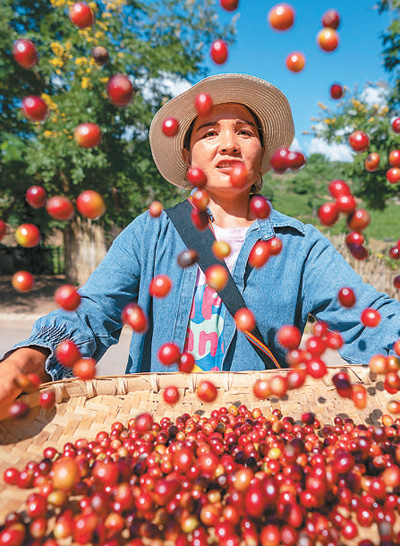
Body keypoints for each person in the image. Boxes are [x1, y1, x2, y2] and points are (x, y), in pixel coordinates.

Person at [1, 73, 399, 412]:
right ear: (190, 155)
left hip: (259, 435)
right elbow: (92, 313)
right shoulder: (151, 231)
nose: (228, 143)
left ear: (261, 158)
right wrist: (28, 359)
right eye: (210, 133)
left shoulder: (299, 245)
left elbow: (366, 316)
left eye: (244, 132)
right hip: (160, 428)